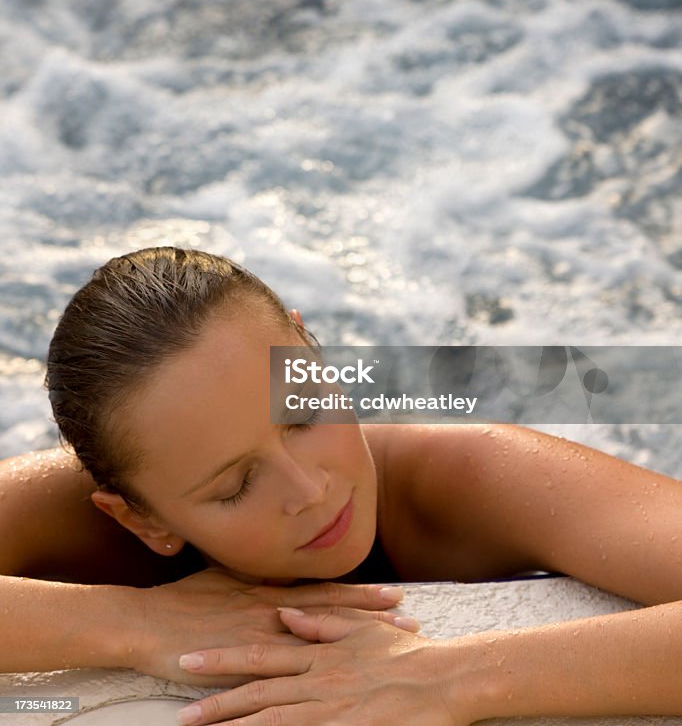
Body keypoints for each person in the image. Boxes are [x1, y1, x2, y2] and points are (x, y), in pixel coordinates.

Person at [3, 246, 682, 726]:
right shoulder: (75, 507)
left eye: (303, 414)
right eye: (236, 485)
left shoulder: (473, 475)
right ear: (141, 521)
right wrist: (128, 623)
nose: (309, 487)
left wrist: (449, 676)